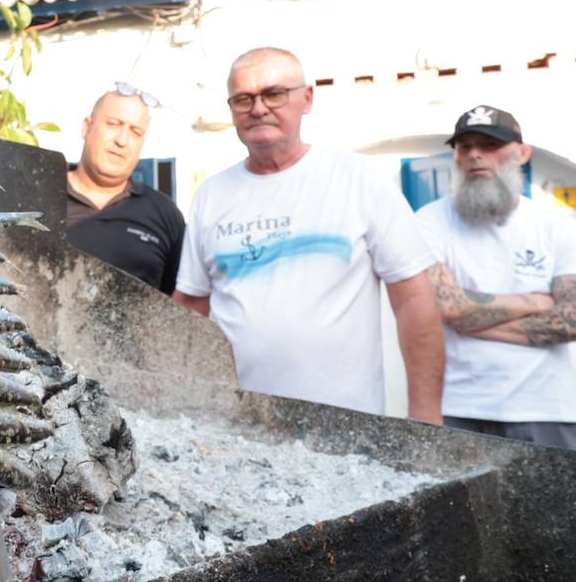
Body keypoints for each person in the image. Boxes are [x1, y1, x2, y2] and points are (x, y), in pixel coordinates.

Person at [174, 47, 444, 422]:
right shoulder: (211, 195)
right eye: (243, 99)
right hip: (235, 423)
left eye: (273, 94)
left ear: (307, 98)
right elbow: (190, 309)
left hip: (346, 424)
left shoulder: (359, 180)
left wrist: (426, 414)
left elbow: (414, 300)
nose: (258, 108)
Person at [416, 105, 576, 452]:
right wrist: (537, 300)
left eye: (489, 145)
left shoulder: (558, 227)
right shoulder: (429, 222)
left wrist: (471, 320)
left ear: (522, 153)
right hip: (457, 409)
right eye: (465, 146)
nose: (475, 155)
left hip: (547, 411)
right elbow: (446, 308)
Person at [66, 83, 185, 294]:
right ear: (86, 127)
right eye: (113, 124)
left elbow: (179, 303)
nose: (122, 140)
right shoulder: (36, 195)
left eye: (135, 132)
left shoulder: (165, 214)